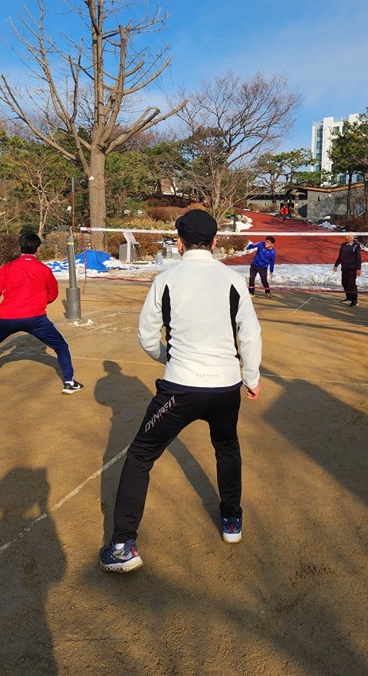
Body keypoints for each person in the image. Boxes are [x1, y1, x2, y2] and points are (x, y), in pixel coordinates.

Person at [99, 209, 262, 573]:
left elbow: (145, 336)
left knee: (141, 455)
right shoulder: (233, 279)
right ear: (216, 241)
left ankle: (124, 543)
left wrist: (169, 356)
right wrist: (251, 377)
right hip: (225, 388)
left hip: (179, 389)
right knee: (227, 445)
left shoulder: (166, 278)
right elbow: (250, 333)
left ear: (179, 242)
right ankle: (231, 520)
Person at [0, 231, 83, 394]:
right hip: (36, 319)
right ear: (38, 249)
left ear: (20, 247)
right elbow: (52, 294)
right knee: (61, 346)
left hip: (7, 319)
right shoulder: (44, 270)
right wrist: (40, 302)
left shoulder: (8, 268)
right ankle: (69, 383)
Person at [333, 233, 362, 307]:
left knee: (352, 284)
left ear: (352, 237)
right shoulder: (343, 245)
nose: (346, 237)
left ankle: (354, 300)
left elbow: (358, 258)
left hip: (352, 268)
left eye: (348, 236)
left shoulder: (356, 246)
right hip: (344, 268)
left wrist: (358, 269)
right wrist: (336, 265)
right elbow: (340, 256)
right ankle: (348, 297)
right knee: (344, 283)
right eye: (346, 236)